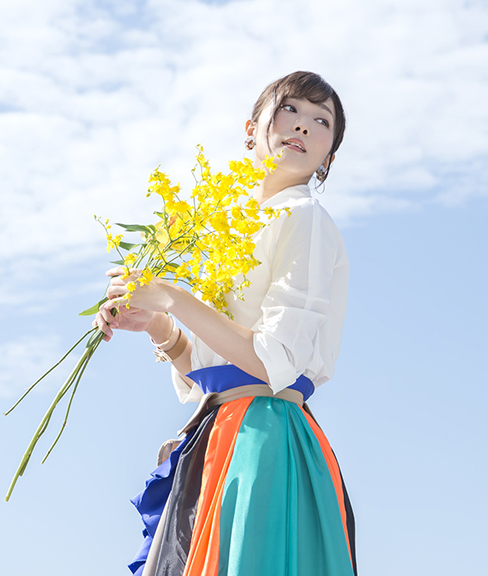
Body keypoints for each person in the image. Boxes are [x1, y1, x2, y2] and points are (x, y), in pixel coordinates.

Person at [93, 71, 356, 576]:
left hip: (263, 438)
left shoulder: (305, 219)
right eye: (290, 109)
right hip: (221, 434)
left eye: (322, 121)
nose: (303, 125)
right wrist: (158, 326)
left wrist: (173, 297)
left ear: (328, 157)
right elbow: (211, 373)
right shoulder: (233, 229)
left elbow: (272, 362)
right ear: (251, 130)